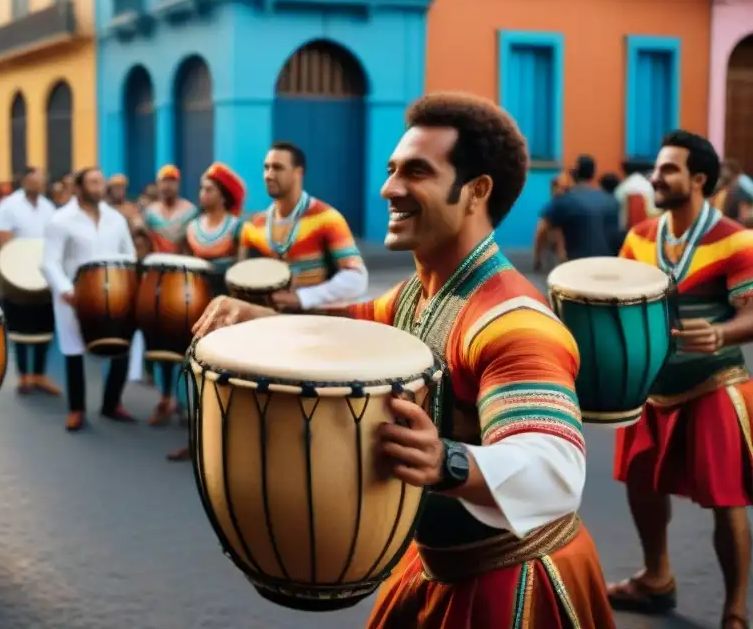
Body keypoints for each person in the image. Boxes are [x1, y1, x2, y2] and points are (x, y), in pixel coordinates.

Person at [194, 93, 615, 627]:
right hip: (438, 569)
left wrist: (447, 462)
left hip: (511, 587)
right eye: (391, 169)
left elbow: (556, 468)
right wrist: (261, 319)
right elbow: (353, 328)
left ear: (475, 191)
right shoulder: (418, 293)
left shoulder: (513, 322)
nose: (388, 188)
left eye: (416, 171)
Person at [608, 130, 753, 629]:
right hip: (649, 385)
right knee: (642, 485)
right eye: (657, 167)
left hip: (714, 383)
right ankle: (655, 579)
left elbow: (752, 313)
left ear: (699, 180)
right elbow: (619, 302)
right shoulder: (639, 236)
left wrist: (721, 332)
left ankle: (735, 613)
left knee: (726, 499)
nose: (655, 176)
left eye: (668, 169)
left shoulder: (736, 239)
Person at [41, 167, 137, 432]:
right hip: (73, 295)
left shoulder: (115, 218)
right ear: (79, 188)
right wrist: (65, 290)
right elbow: (49, 262)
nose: (99, 187)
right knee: (74, 351)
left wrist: (129, 286)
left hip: (114, 294)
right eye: (93, 183)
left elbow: (129, 255)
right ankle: (76, 410)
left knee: (122, 346)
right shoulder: (61, 220)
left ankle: (111, 403)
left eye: (101, 182)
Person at [165, 162, 247, 461]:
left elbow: (242, 272)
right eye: (201, 188)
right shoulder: (191, 228)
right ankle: (196, 438)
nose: (202, 193)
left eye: (208, 189)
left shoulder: (237, 228)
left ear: (223, 195)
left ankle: (222, 443)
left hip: (225, 311)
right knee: (190, 368)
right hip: (194, 308)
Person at [238, 141, 368, 311]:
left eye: (277, 168)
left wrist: (302, 297)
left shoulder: (327, 218)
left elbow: (357, 278)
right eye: (266, 167)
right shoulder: (254, 225)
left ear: (298, 173)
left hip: (314, 325)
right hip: (267, 325)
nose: (268, 175)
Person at [0, 167, 59, 395]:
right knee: (20, 325)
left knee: (44, 324)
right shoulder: (9, 205)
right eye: (34, 179)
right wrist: (16, 267)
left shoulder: (49, 207)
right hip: (17, 272)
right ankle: (24, 375)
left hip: (43, 273)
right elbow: (3, 239)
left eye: (42, 180)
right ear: (24, 181)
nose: (39, 184)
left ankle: (39, 375)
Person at [142, 165, 197, 424]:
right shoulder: (150, 213)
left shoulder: (190, 212)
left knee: (184, 342)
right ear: (158, 184)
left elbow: (192, 246)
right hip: (156, 282)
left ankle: (183, 400)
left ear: (178, 183)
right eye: (164, 181)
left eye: (172, 181)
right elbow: (143, 244)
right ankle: (164, 397)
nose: (167, 186)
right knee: (161, 342)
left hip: (183, 282)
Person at [537, 154, 618, 262]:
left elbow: (542, 230)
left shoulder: (564, 201)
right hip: (607, 263)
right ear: (593, 174)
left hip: (577, 264)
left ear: (574, 173)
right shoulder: (611, 201)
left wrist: (537, 259)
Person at [712, 158, 753, 225]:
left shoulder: (742, 181)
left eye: (725, 169)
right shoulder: (728, 182)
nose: (722, 172)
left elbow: (747, 197)